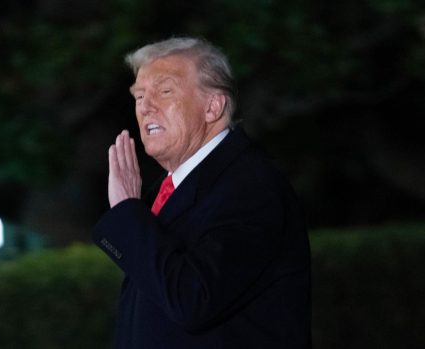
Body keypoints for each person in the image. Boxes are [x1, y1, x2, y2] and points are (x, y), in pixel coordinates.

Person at [93, 37, 311, 349]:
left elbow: (193, 301)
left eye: (165, 91)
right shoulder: (167, 190)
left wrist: (128, 212)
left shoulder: (251, 186)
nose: (145, 106)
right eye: (139, 96)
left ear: (212, 106)